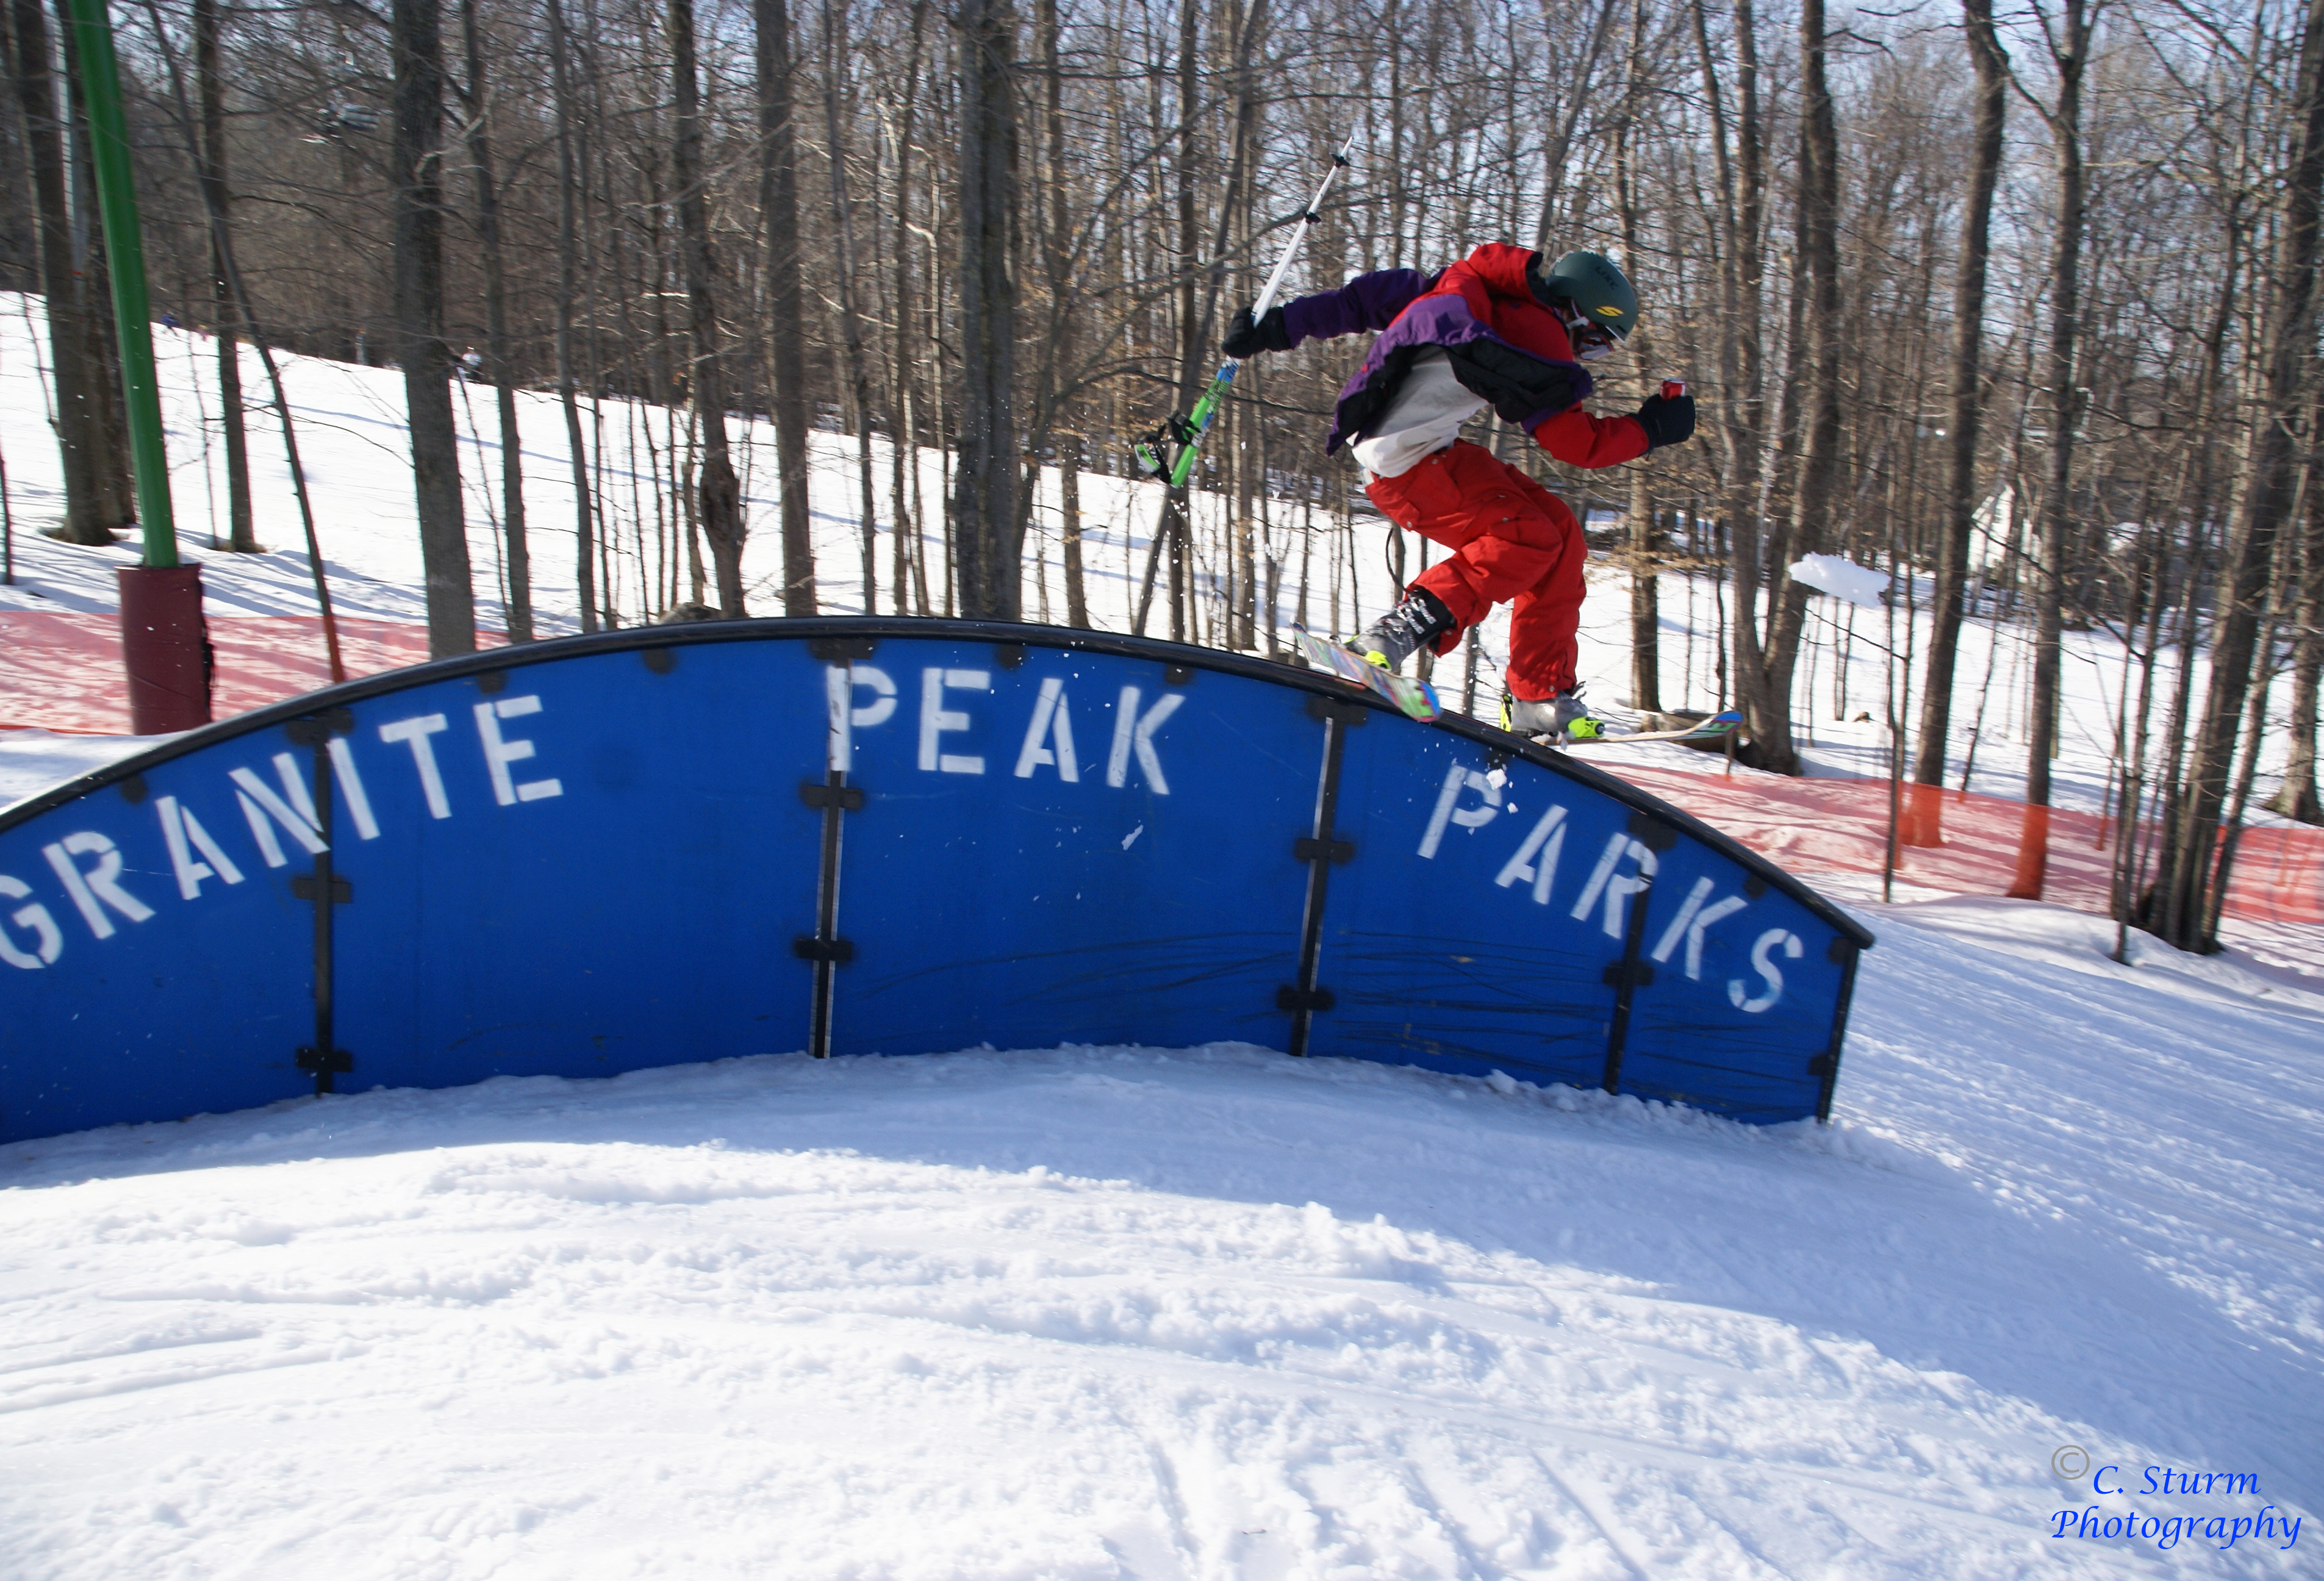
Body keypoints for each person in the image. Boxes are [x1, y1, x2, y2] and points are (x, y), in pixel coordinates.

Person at [1224, 245, 1695, 738]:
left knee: (1559, 533)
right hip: (1407, 468)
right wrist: (1652, 429)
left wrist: (1278, 325)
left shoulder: (1465, 284)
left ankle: (1537, 695)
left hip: (1425, 452)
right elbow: (1576, 443)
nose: (1585, 356)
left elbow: (1362, 300)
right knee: (1527, 538)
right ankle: (1395, 632)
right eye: (1596, 343)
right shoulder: (1541, 334)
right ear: (1574, 315)